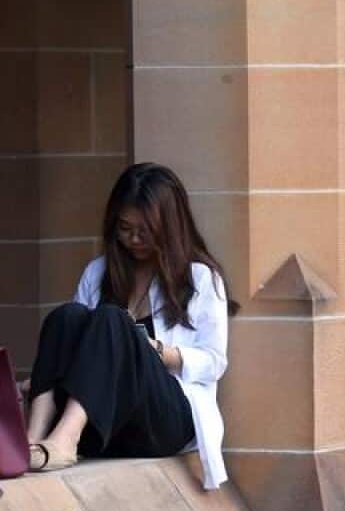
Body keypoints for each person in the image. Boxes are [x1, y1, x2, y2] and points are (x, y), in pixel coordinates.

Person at [22, 163, 237, 490]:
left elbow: (214, 362)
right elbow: (74, 343)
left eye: (145, 230)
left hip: (165, 419)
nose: (134, 239)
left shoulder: (200, 279)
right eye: (124, 228)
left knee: (111, 319)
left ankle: (65, 439)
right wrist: (42, 377)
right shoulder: (98, 273)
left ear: (169, 227)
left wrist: (159, 353)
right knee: (66, 317)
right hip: (107, 423)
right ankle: (34, 439)